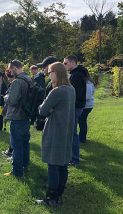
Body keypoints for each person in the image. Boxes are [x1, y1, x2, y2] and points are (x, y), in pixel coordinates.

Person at [36, 62, 75, 206]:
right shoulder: (71, 89)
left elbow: (42, 110)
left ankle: (52, 198)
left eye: (50, 72)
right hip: (66, 130)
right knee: (63, 164)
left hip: (56, 131)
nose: (48, 74)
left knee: (53, 164)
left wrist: (49, 108)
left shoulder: (57, 91)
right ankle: (59, 194)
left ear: (57, 73)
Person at [4, 60, 31, 178]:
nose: (9, 71)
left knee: (16, 145)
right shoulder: (29, 79)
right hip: (26, 115)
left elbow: (13, 101)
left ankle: (17, 171)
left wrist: (6, 97)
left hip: (17, 116)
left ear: (15, 68)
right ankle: (25, 164)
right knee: (25, 142)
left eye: (10, 69)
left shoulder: (17, 82)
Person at [63, 55, 88, 166]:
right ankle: (73, 156)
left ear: (73, 62)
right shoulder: (78, 73)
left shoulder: (76, 75)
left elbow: (74, 95)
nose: (64, 65)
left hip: (75, 107)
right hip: (78, 106)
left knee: (72, 133)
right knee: (72, 132)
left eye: (65, 63)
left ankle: (74, 159)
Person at [1, 69, 15, 157]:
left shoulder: (14, 85)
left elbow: (11, 99)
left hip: (13, 112)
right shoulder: (12, 84)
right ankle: (11, 150)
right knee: (12, 132)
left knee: (13, 133)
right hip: (11, 111)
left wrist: (6, 97)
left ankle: (11, 151)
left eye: (10, 77)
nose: (9, 79)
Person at [79, 73, 95, 143]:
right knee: (82, 121)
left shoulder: (87, 83)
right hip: (88, 105)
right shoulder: (89, 82)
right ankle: (82, 138)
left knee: (82, 121)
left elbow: (87, 96)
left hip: (86, 106)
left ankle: (82, 139)